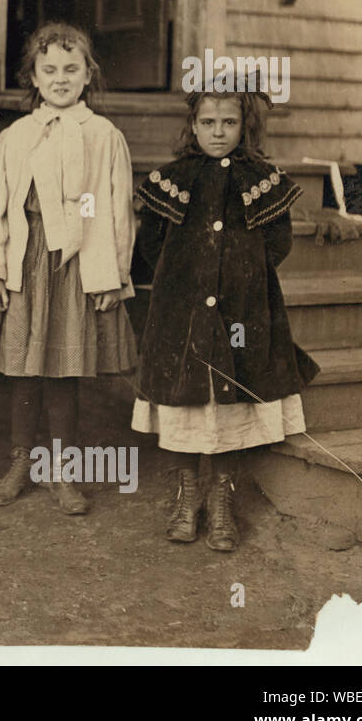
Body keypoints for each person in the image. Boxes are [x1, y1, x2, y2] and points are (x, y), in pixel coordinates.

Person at [132, 87, 318, 550]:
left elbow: (279, 243)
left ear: (244, 126)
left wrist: (244, 277)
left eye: (229, 123)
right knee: (183, 401)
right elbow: (151, 245)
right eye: (209, 123)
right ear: (193, 126)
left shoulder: (262, 179)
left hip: (245, 307)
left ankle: (220, 498)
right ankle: (187, 492)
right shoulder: (173, 178)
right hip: (181, 310)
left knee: (233, 405)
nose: (218, 132)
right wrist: (182, 282)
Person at [0, 21, 137, 515]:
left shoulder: (105, 136)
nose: (61, 78)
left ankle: (63, 470)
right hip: (26, 260)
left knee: (64, 371)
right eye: (49, 70)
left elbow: (115, 209)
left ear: (88, 74)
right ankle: (20, 462)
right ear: (34, 76)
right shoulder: (15, 136)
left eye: (72, 69)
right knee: (25, 371)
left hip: (78, 262)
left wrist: (113, 272)